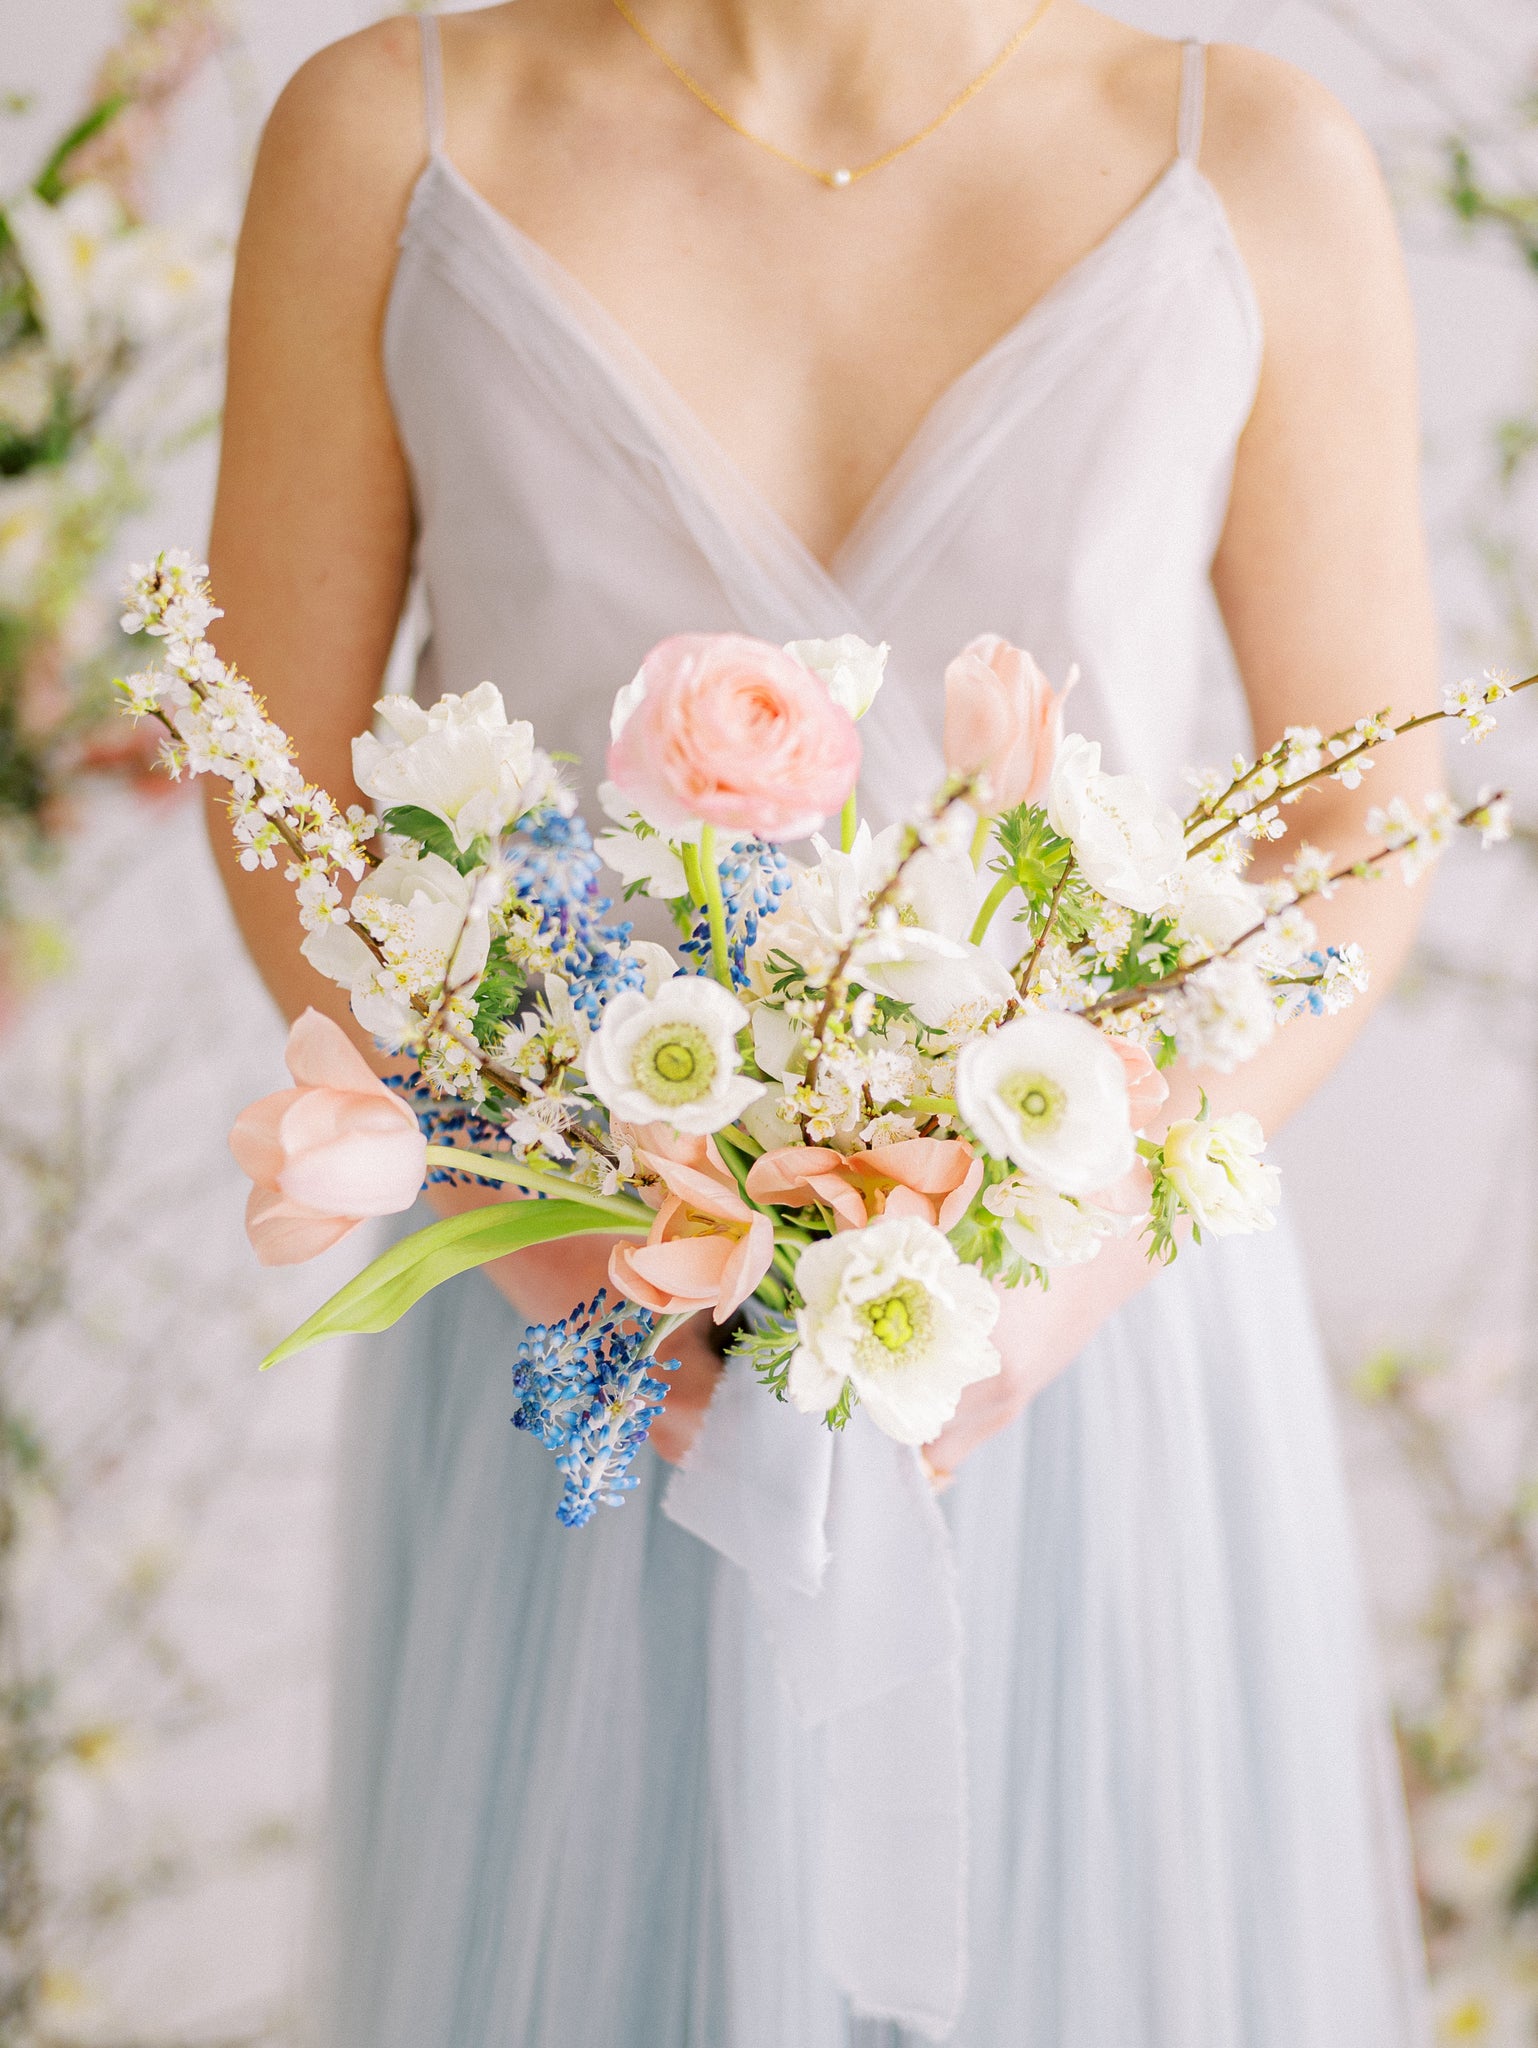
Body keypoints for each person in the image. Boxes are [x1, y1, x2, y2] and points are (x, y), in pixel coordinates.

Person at [207, 2, 1440, 2041]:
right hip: (583, 1345)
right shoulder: (387, 138)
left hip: (1080, 1322)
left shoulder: (1252, 159)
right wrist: (583, 1243)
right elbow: (280, 792)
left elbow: (1359, 810)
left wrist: (1072, 1257)